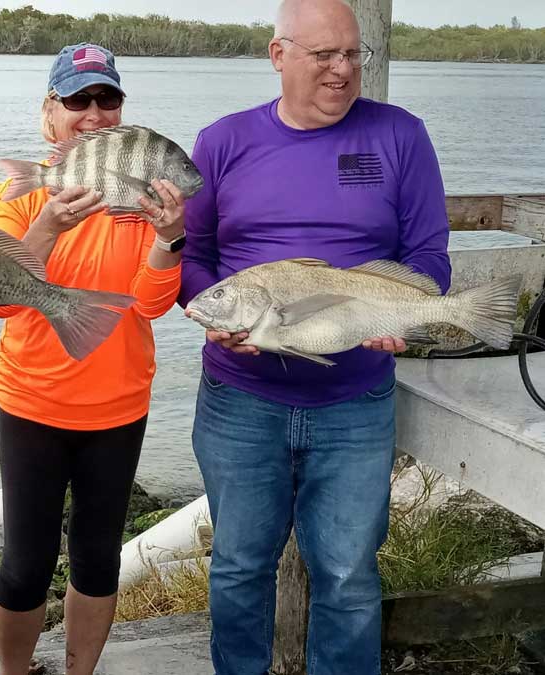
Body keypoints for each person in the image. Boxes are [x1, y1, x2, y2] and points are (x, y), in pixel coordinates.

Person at [178, 1, 452, 674]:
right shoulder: (221, 142)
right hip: (240, 401)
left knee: (349, 576)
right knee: (240, 567)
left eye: (354, 55)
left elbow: (430, 254)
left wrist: (405, 311)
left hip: (355, 402)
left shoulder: (400, 136)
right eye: (323, 55)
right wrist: (215, 316)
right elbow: (193, 256)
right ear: (278, 55)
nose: (342, 70)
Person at [0, 43, 189, 675]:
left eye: (108, 99)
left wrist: (169, 236)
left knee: (98, 557)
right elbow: (1, 304)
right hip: (33, 402)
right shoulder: (17, 197)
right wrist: (48, 223)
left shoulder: (140, 197)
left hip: (119, 404)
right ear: (51, 113)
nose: (94, 113)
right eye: (78, 101)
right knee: (26, 562)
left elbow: (152, 307)